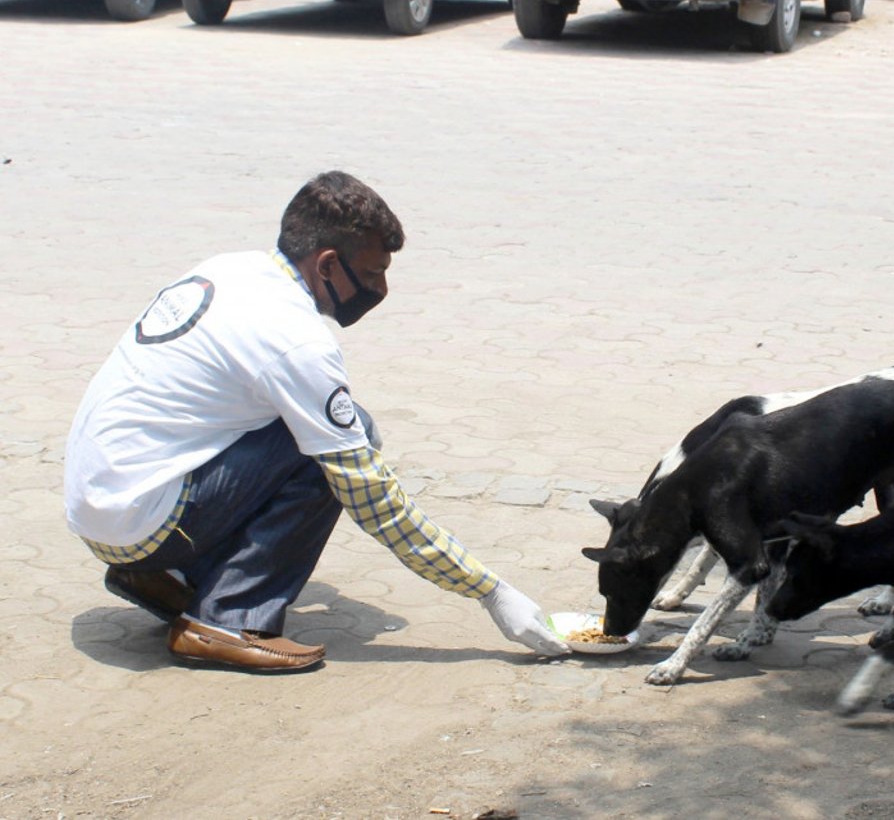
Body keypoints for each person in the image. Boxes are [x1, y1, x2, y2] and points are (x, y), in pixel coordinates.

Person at [64, 171, 570, 672]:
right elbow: (374, 499)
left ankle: (166, 577)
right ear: (328, 264)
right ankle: (226, 621)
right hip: (141, 520)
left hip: (101, 503)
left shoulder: (228, 269)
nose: (382, 289)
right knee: (342, 448)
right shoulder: (295, 340)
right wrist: (490, 591)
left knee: (309, 431)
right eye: (372, 274)